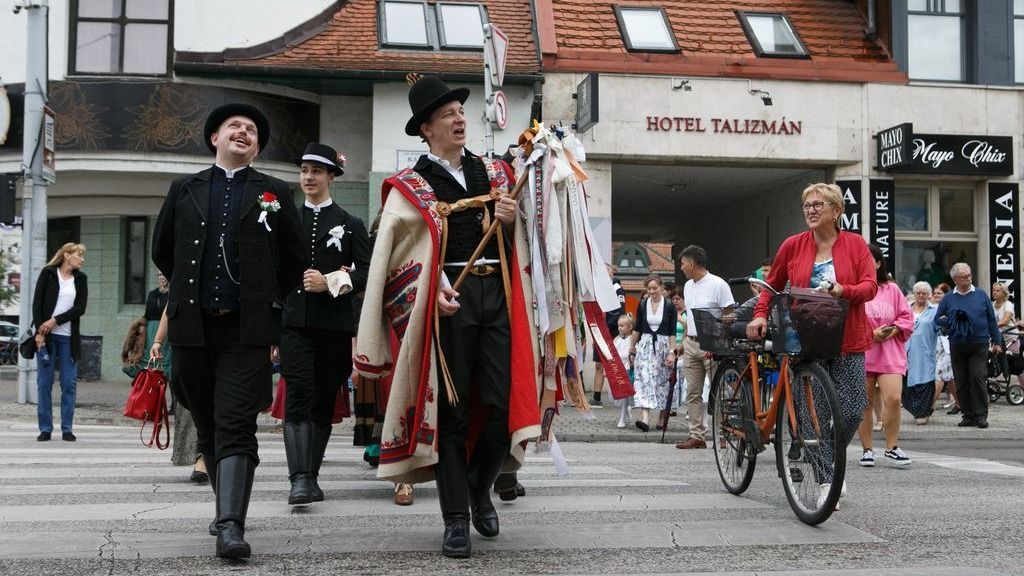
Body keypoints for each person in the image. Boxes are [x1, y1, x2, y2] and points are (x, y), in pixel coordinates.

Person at [354, 75, 539, 559]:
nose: (460, 119)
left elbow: (523, 236)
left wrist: (510, 218)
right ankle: (456, 517)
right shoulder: (408, 187)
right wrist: (430, 289)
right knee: (453, 414)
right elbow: (395, 257)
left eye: (460, 111)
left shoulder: (495, 173)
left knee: (499, 407)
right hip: (447, 303)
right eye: (448, 114)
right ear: (426, 129)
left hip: (496, 295)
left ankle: (480, 491)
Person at [151, 102, 304, 559]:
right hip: (192, 328)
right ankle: (225, 509)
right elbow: (164, 251)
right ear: (214, 138)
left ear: (256, 147)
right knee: (208, 424)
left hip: (247, 329)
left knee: (237, 423)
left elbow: (294, 259)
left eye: (252, 130)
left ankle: (232, 526)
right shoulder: (184, 188)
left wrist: (269, 299)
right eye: (234, 126)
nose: (244, 132)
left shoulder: (274, 191)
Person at [747, 183, 877, 505]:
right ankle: (823, 479)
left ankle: (829, 454)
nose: (811, 210)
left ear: (836, 210)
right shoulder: (793, 245)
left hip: (847, 337)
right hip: (807, 340)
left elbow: (870, 286)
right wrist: (761, 314)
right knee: (811, 415)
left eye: (819, 204)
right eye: (807, 205)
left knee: (852, 408)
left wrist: (842, 290)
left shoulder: (856, 245)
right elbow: (771, 286)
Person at [279, 143, 371, 507]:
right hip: (294, 326)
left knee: (321, 401)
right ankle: (298, 479)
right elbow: (274, 271)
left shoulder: (351, 225)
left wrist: (332, 281)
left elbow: (365, 272)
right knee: (298, 393)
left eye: (316, 171)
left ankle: (310, 477)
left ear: (332, 176)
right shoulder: (287, 221)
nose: (308, 177)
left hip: (334, 328)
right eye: (304, 170)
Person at [857, 245, 914, 468]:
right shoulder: (857, 290)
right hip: (862, 353)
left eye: (869, 259)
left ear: (879, 263)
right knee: (864, 403)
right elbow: (847, 322)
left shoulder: (892, 290)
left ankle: (891, 447)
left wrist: (893, 330)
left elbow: (906, 318)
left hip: (890, 354)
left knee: (894, 399)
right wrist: (871, 334)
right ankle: (867, 450)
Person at [677, 244, 734, 449]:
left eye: (683, 264)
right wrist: (682, 343)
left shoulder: (718, 284)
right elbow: (690, 317)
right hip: (691, 344)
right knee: (693, 392)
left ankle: (724, 433)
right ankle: (697, 435)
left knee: (719, 392)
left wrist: (720, 339)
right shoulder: (688, 286)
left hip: (711, 345)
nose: (681, 267)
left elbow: (729, 312)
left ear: (692, 263)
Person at [934, 263, 1002, 429]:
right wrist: (951, 319)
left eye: (969, 276)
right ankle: (968, 415)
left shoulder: (980, 294)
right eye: (964, 277)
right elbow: (937, 319)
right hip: (957, 344)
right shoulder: (949, 297)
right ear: (955, 279)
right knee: (962, 380)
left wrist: (997, 342)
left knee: (977, 376)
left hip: (979, 343)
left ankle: (980, 416)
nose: (968, 279)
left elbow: (991, 320)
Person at [32, 243, 88, 442]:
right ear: (66, 255)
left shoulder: (81, 279)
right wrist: (40, 332)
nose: (82, 259)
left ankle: (67, 429)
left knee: (69, 383)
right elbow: (37, 304)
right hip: (46, 338)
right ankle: (45, 428)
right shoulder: (48, 274)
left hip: (68, 338)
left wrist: (55, 320)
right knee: (44, 383)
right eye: (79, 255)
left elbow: (80, 308)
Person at [628, 275, 677, 432]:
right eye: (649, 289)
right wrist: (631, 347)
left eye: (655, 288)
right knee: (645, 379)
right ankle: (645, 418)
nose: (652, 291)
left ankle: (662, 418)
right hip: (646, 346)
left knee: (663, 381)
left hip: (663, 346)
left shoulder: (669, 305)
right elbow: (637, 329)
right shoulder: (643, 304)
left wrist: (672, 352)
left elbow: (672, 332)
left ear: (661, 288)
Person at [591, 264, 626, 407]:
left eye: (607, 271)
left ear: (612, 273)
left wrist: (608, 327)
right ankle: (596, 397)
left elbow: (618, 312)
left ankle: (620, 395)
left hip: (611, 332)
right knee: (598, 365)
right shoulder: (598, 290)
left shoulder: (618, 290)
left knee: (614, 364)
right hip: (599, 331)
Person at [905, 281, 938, 425]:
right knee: (905, 384)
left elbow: (940, 328)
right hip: (905, 351)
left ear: (928, 295)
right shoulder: (906, 308)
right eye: (918, 293)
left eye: (924, 293)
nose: (921, 295)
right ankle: (915, 409)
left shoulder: (935, 310)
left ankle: (923, 411)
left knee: (925, 381)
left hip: (924, 351)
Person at [931, 283, 958, 413]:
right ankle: (959, 404)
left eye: (939, 293)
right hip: (935, 345)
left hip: (947, 344)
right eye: (934, 293)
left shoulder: (950, 308)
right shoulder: (930, 308)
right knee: (950, 376)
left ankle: (929, 406)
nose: (936, 295)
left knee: (940, 374)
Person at [614, 314, 635, 428]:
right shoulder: (616, 339)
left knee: (625, 395)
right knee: (619, 397)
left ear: (630, 327)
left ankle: (622, 417)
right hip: (617, 369)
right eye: (619, 326)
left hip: (627, 369)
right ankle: (626, 411)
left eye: (622, 326)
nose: (619, 328)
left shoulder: (632, 340)